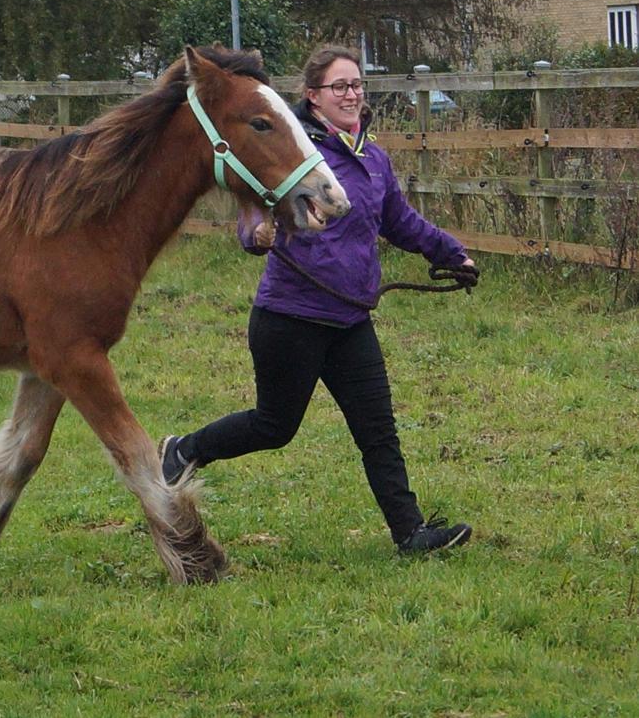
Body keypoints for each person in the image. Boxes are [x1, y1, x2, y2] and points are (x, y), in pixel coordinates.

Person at [160, 45, 477, 555]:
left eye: (356, 85)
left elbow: (399, 221)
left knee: (379, 432)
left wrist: (453, 254)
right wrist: (255, 234)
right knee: (274, 426)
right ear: (314, 97)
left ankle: (411, 533)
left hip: (350, 319)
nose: (351, 94)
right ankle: (184, 450)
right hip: (291, 316)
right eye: (339, 87)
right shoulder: (295, 151)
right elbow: (252, 213)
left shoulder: (372, 157)